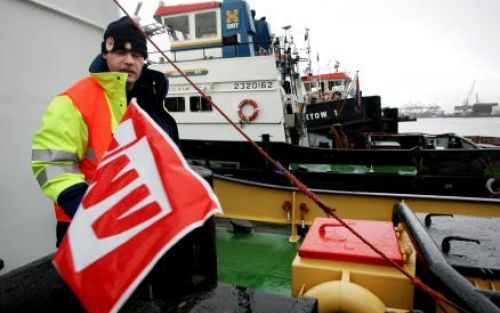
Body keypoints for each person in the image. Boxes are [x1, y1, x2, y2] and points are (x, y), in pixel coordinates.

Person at [31, 16, 178, 247]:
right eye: (120, 51)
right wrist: (87, 209)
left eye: (137, 54)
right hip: (86, 226)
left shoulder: (151, 99)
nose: (129, 60)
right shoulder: (72, 101)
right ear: (105, 54)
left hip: (144, 222)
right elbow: (51, 163)